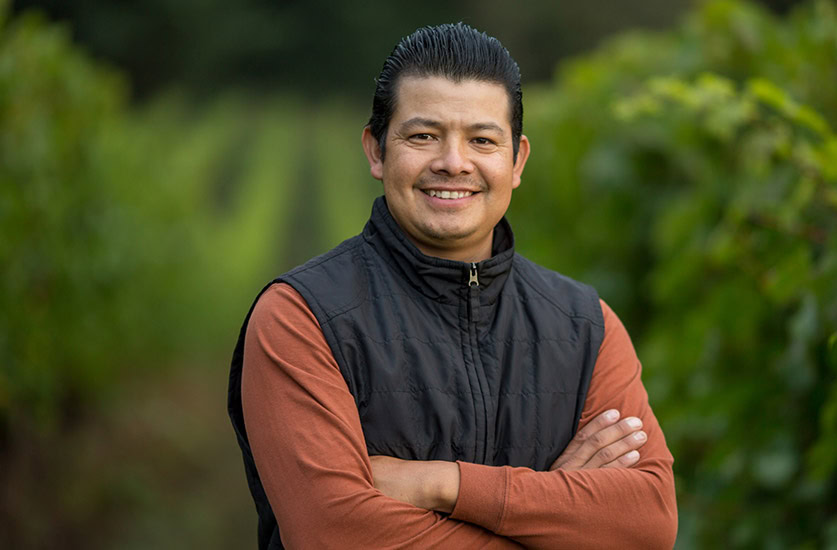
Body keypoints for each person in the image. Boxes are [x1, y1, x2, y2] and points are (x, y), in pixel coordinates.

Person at [228, 23, 677, 549]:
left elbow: (647, 524)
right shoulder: (301, 317)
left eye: (482, 140)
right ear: (376, 151)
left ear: (517, 162)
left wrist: (441, 485)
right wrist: (558, 509)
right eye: (423, 136)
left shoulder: (586, 327)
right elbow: (335, 533)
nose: (453, 162)